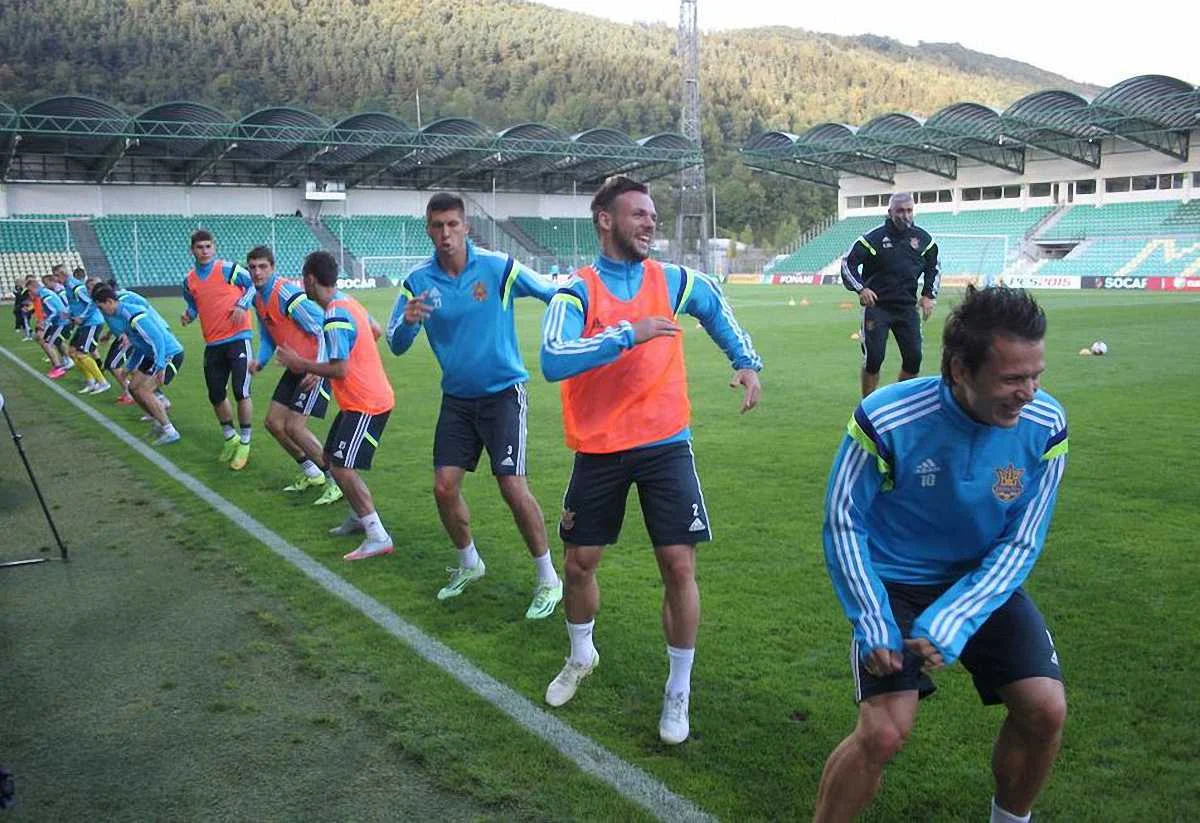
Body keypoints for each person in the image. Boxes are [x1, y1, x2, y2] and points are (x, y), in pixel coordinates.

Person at [814, 285, 1068, 823]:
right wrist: (873, 619)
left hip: (984, 581)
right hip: (893, 584)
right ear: (959, 369)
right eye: (1012, 378)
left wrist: (957, 615)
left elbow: (1022, 541)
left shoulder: (1046, 425)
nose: (1028, 393)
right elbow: (843, 521)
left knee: (1045, 710)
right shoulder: (886, 418)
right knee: (884, 732)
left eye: (1036, 376)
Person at [539, 175, 763, 744]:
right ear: (605, 220)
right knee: (579, 564)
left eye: (652, 214)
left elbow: (714, 305)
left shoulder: (672, 280)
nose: (649, 222)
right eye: (637, 213)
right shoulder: (578, 290)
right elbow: (553, 357)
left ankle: (678, 690)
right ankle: (581, 655)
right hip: (600, 447)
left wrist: (745, 360)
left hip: (665, 442)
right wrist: (626, 335)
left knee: (679, 566)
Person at [387, 192, 562, 618]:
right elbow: (395, 343)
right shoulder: (418, 282)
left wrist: (577, 322)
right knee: (444, 488)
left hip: (504, 393)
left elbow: (551, 293)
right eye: (437, 226)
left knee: (511, 485)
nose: (445, 233)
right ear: (428, 230)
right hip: (458, 399)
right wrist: (408, 322)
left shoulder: (498, 267)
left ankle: (548, 579)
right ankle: (469, 562)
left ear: (466, 227)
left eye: (452, 224)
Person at [275, 251, 396, 562]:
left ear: (310, 280)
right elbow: (374, 330)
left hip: (367, 402)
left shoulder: (335, 315)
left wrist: (302, 364)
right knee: (331, 459)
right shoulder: (347, 303)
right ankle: (359, 517)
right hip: (359, 400)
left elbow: (340, 369)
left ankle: (378, 536)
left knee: (341, 467)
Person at [246, 245, 341, 505]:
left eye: (262, 266)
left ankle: (336, 480)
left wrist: (319, 366)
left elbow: (322, 326)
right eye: (252, 267)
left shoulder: (286, 294)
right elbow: (269, 336)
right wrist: (260, 361)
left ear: (273, 268)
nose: (257, 272)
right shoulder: (258, 298)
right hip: (295, 367)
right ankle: (312, 472)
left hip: (314, 367)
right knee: (273, 423)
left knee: (294, 427)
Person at [841, 192, 940, 398]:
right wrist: (861, 289)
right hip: (877, 307)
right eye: (900, 211)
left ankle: (898, 403)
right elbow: (848, 263)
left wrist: (929, 294)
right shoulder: (873, 238)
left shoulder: (924, 240)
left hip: (907, 308)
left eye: (909, 210)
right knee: (874, 359)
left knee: (914, 359)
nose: (905, 215)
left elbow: (934, 266)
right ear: (890, 212)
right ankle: (868, 405)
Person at [180, 230, 256, 469]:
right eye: (199, 247)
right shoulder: (189, 280)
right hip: (213, 343)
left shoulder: (228, 269)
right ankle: (230, 438)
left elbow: (253, 284)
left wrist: (242, 304)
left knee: (241, 391)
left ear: (214, 247)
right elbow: (194, 305)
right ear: (192, 250)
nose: (204, 251)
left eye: (208, 246)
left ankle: (245, 442)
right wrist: (189, 315)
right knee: (215, 394)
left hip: (238, 338)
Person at [93, 285, 185, 446]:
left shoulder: (133, 315)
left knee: (144, 390)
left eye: (101, 307)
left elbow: (157, 338)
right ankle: (159, 422)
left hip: (169, 353)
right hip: (152, 355)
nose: (101, 311)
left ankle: (170, 431)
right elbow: (139, 344)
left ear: (109, 302)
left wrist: (160, 365)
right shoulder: (121, 316)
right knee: (133, 388)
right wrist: (130, 367)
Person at [36, 274, 70, 378]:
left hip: (62, 320)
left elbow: (64, 306)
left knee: (51, 342)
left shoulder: (58, 291)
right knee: (55, 341)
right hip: (59, 320)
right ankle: (65, 361)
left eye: (46, 283)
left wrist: (47, 321)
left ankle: (63, 363)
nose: (45, 285)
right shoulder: (51, 292)